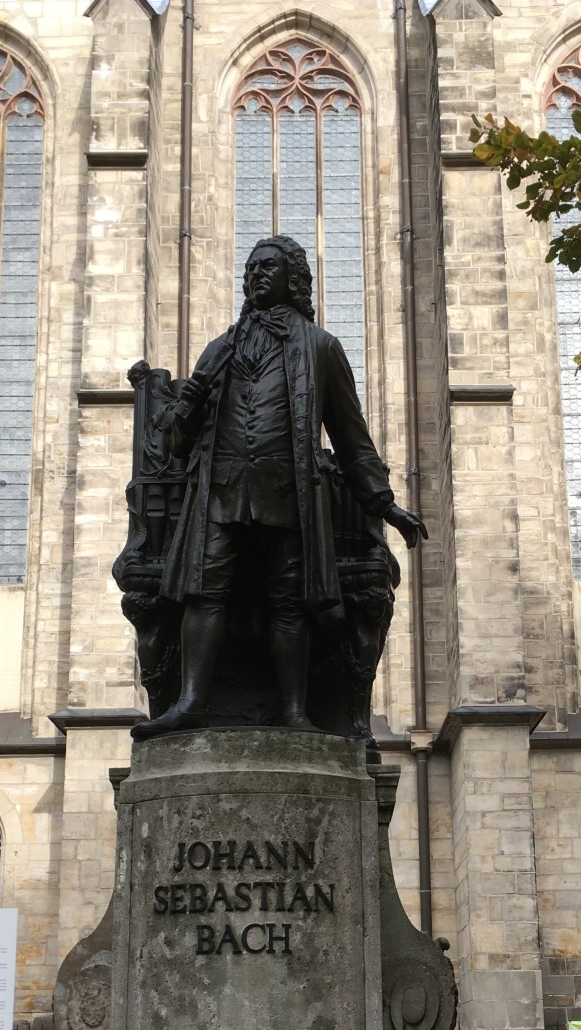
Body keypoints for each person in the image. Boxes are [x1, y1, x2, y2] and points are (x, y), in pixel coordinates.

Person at [138, 234, 425, 735]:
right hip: (221, 492)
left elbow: (352, 438)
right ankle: (189, 703)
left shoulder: (320, 347)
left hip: (288, 493)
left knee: (289, 599)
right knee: (203, 590)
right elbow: (179, 445)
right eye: (251, 269)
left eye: (268, 267)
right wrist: (190, 400)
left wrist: (385, 505)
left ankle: (295, 712)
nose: (257, 276)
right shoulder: (220, 348)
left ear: (293, 278)